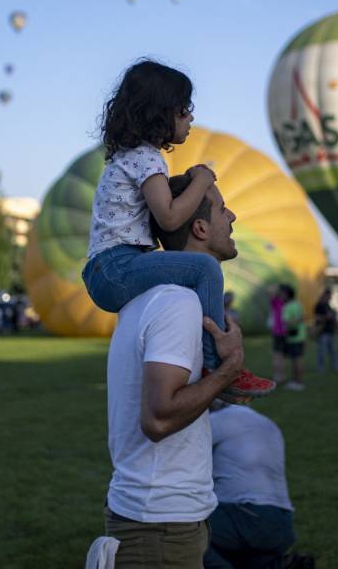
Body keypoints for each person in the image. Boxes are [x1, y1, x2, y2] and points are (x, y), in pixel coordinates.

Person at [82, 60, 273, 401]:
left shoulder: (129, 157)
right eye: (184, 110)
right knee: (205, 268)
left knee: (188, 277)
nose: (191, 118)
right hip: (116, 267)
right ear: (160, 113)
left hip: (110, 267)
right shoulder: (147, 158)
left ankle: (199, 358)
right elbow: (169, 219)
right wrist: (201, 180)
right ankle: (216, 366)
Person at [103, 175, 246, 568]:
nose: (232, 216)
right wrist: (228, 370)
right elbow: (159, 418)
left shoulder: (154, 299)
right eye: (221, 209)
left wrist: (219, 380)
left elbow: (178, 406)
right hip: (159, 526)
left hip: (161, 518)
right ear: (199, 227)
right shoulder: (178, 302)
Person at [205, 403, 312, 569]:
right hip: (282, 522)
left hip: (244, 513)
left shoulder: (217, 420)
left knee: (185, 532)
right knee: (242, 555)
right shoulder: (268, 423)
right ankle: (277, 565)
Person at [280, 285, 307, 391]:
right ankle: (298, 381)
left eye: (282, 294)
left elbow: (285, 321)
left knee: (296, 360)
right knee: (299, 359)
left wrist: (293, 322)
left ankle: (298, 383)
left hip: (293, 338)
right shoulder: (298, 304)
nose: (281, 296)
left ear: (287, 295)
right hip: (301, 336)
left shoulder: (287, 307)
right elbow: (303, 317)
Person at [313, 288, 338, 373]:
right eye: (329, 295)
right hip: (322, 331)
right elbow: (317, 317)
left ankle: (335, 366)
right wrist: (326, 317)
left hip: (330, 330)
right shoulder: (319, 305)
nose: (330, 297)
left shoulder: (328, 305)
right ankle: (320, 368)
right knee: (322, 351)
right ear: (326, 295)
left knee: (333, 351)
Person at [268, 286, 287, 385]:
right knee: (279, 355)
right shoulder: (280, 303)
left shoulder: (281, 303)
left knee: (279, 356)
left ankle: (279, 376)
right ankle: (278, 376)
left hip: (281, 333)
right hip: (280, 333)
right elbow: (271, 293)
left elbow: (271, 293)